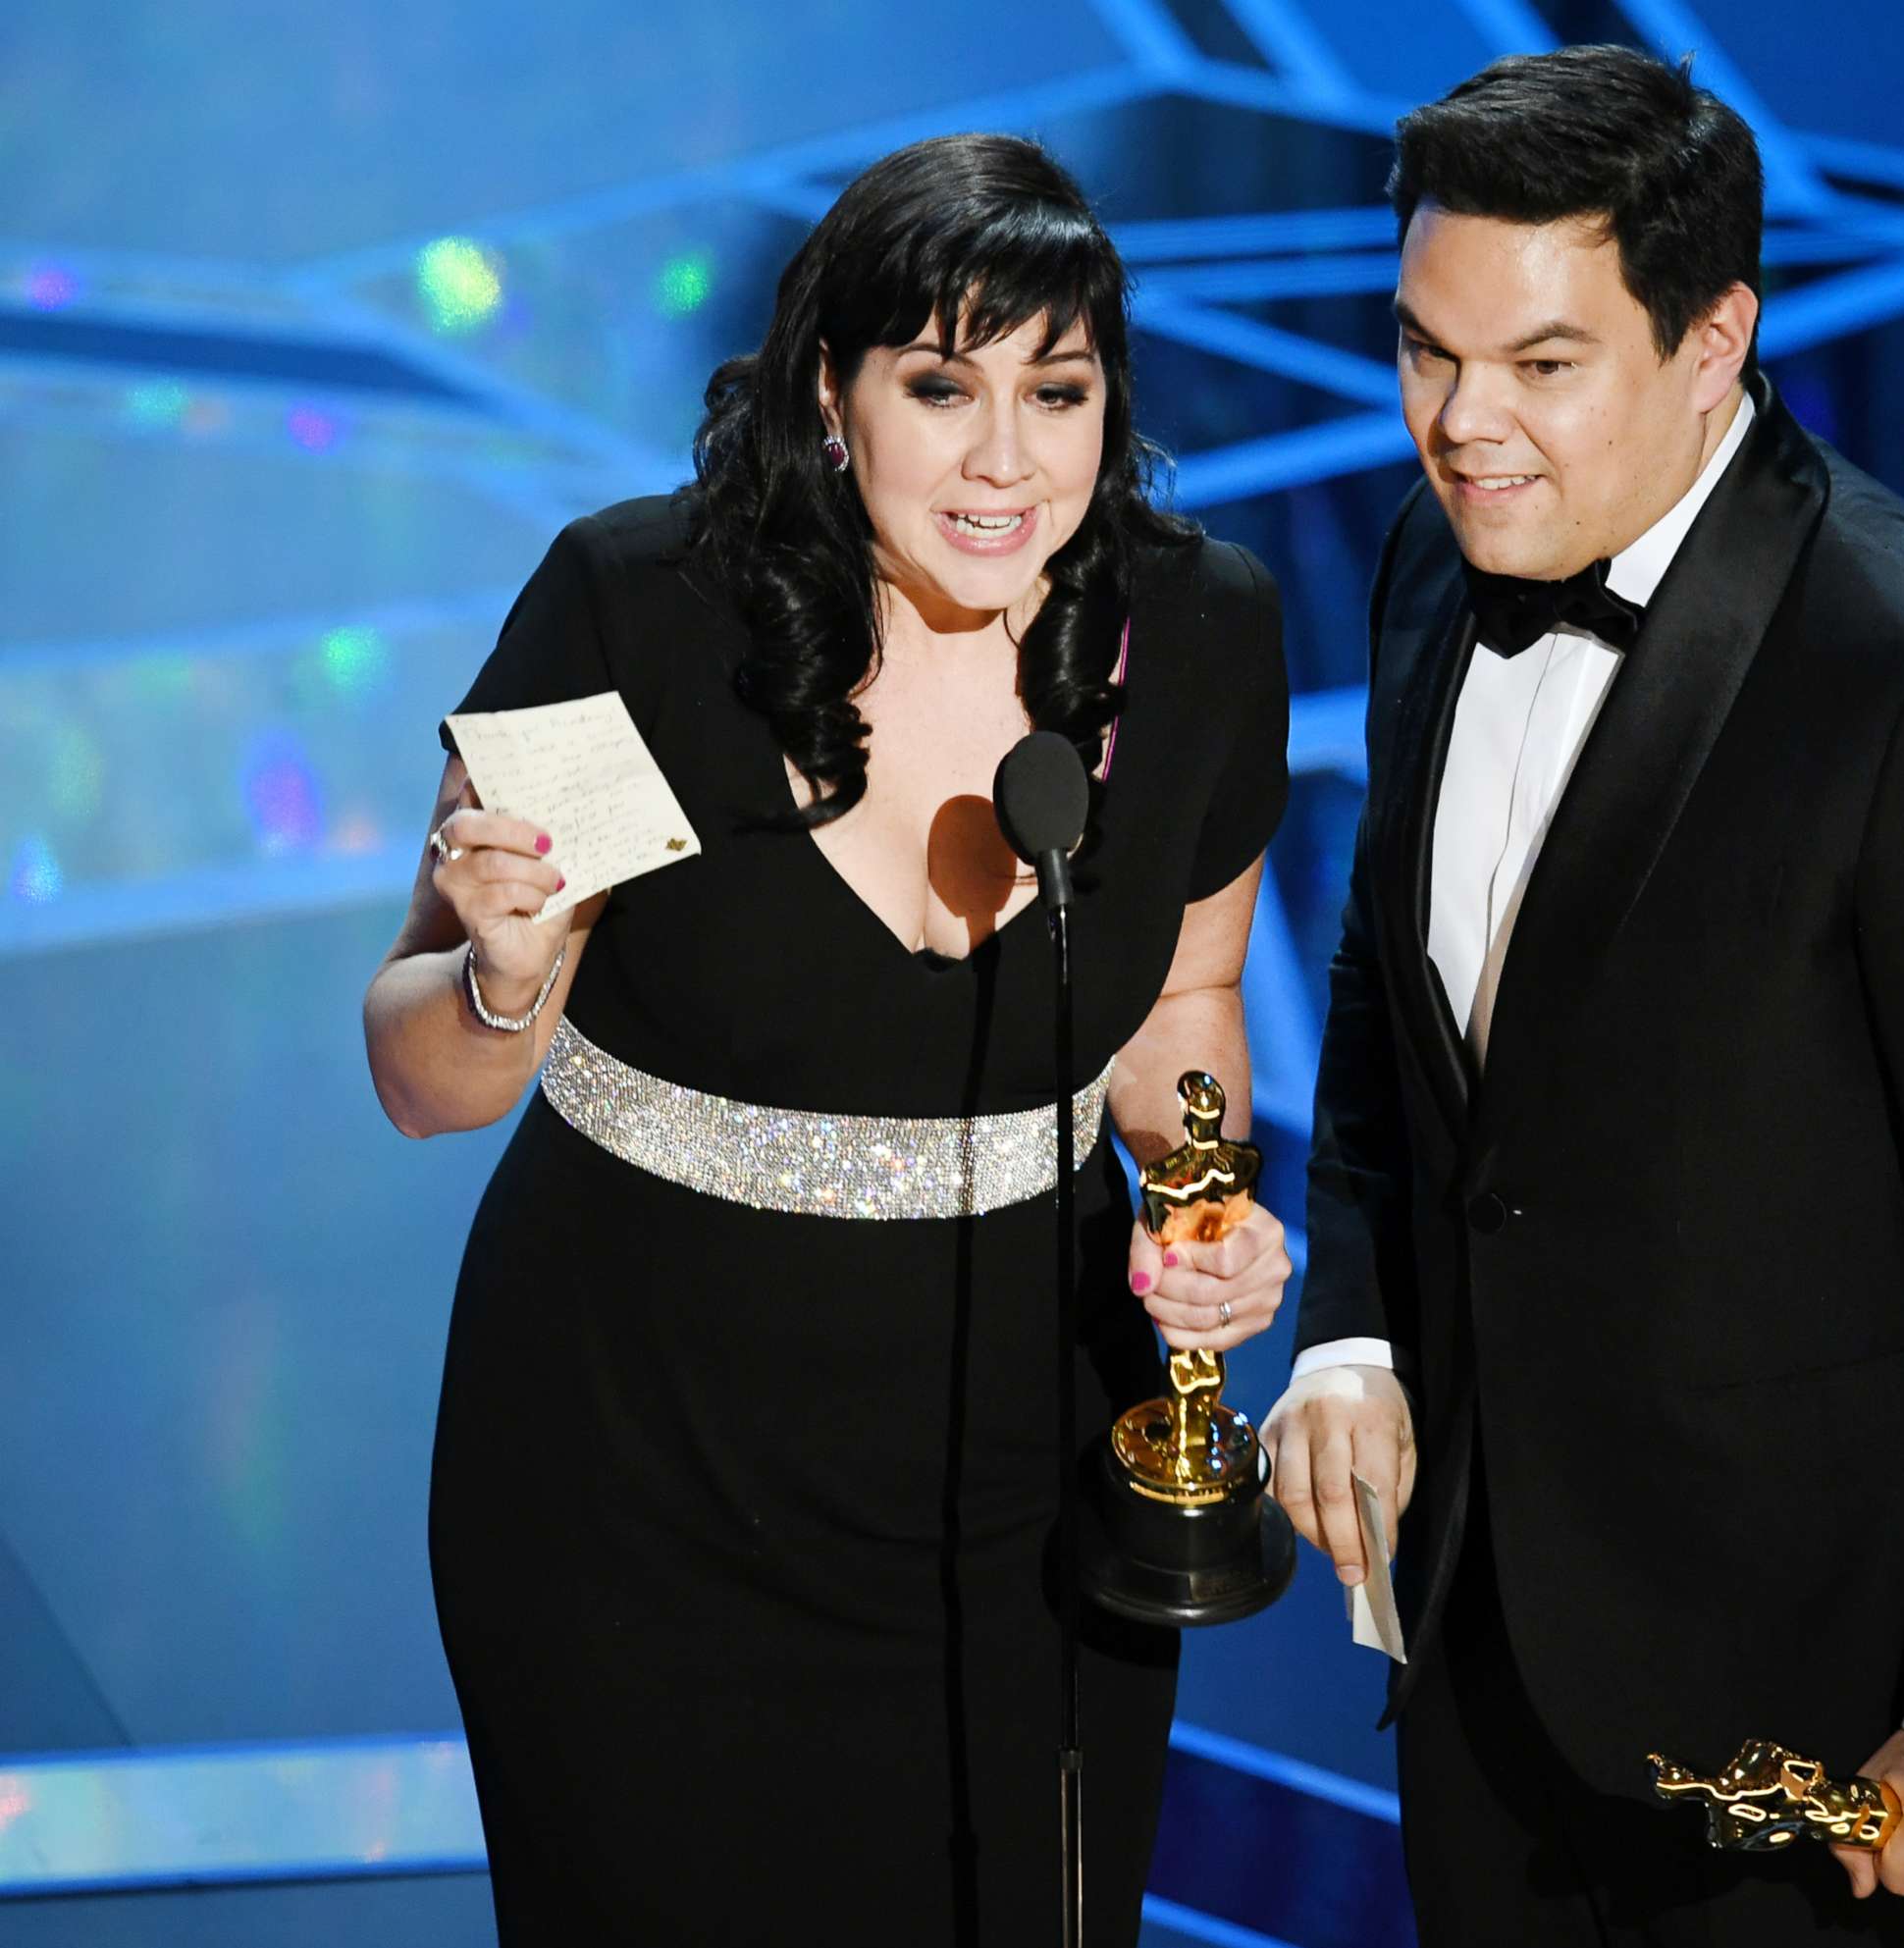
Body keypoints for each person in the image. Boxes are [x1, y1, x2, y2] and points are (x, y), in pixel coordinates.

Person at [361, 133, 1294, 1945]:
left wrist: (1198, 1205)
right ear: (830, 395)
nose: (1007, 458)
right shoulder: (636, 611)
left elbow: (1182, 1004)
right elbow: (418, 1080)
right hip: (639, 1483)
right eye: (942, 386)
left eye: (1060, 388)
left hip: (1029, 1480)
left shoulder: (1196, 631)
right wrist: (502, 977)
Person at [1264, 46, 1904, 1946]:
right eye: (1423, 350)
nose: (1458, 424)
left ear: (1714, 337)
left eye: (1540, 365)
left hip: (1817, 1728)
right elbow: (1386, 986)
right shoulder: (1435, 557)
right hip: (1480, 1660)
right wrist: (1350, 1328)